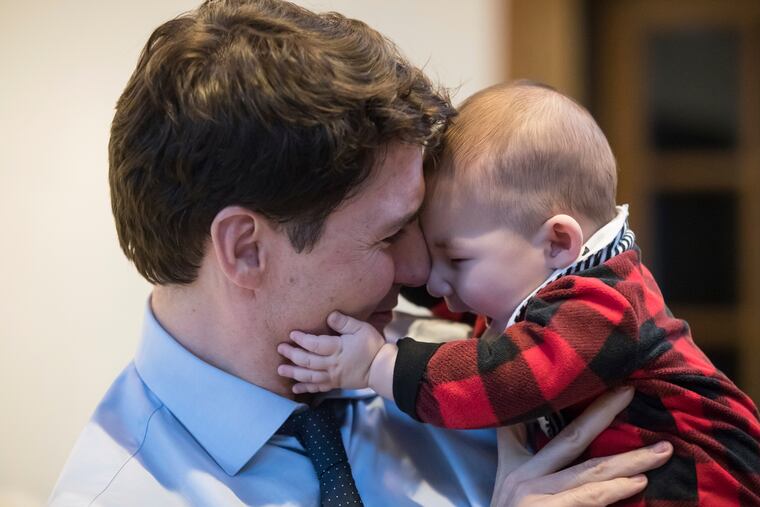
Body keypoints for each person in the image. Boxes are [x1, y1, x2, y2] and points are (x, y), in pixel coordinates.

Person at [49, 3, 673, 506]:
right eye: (388, 234)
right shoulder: (117, 494)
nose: (420, 270)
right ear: (245, 249)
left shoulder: (478, 365)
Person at [278, 82, 760, 506]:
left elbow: (503, 378)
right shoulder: (541, 292)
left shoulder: (602, 307)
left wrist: (379, 366)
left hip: (702, 484)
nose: (431, 278)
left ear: (557, 243)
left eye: (457, 260)